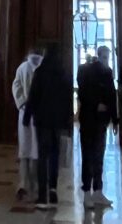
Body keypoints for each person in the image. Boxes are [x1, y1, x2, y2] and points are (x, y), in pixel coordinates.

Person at [23, 43, 72, 209]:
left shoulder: (41, 72)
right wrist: (68, 122)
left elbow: (33, 96)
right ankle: (53, 190)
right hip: (58, 121)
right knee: (55, 155)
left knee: (43, 156)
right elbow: (68, 100)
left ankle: (42, 196)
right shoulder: (64, 73)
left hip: (42, 120)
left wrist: (27, 116)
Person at [77, 45, 118, 208]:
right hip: (89, 120)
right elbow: (82, 93)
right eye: (104, 57)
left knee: (99, 156)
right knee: (88, 156)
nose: (106, 60)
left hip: (101, 121)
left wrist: (115, 119)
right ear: (98, 56)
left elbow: (112, 96)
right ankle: (87, 192)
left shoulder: (108, 73)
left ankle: (98, 191)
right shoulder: (86, 71)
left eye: (108, 58)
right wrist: (96, 105)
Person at [12, 47, 43, 200]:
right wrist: (23, 103)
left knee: (30, 150)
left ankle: (30, 184)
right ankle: (26, 184)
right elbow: (16, 86)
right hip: (31, 113)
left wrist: (22, 103)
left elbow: (16, 86)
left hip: (32, 113)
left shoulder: (25, 67)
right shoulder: (26, 68)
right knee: (27, 150)